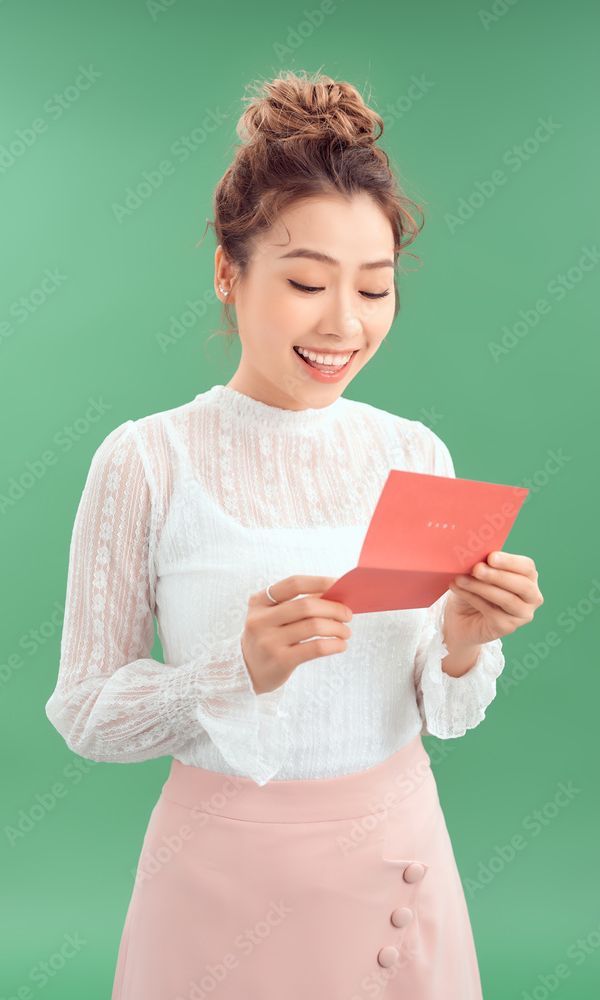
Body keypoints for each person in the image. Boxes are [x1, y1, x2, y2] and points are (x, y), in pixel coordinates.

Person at [44, 69, 543, 1000]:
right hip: (219, 876)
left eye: (375, 290)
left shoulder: (412, 450)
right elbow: (85, 713)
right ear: (229, 275)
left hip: (397, 852)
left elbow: (445, 710)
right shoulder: (147, 459)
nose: (343, 325)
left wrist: (467, 642)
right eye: (307, 282)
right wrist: (236, 671)